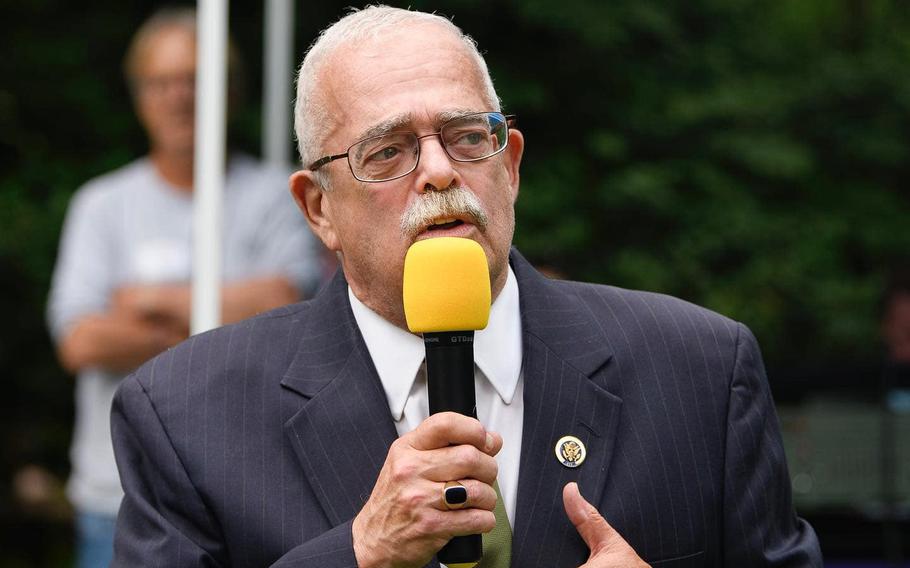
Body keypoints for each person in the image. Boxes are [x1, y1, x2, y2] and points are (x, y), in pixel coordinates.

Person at [111, 6, 822, 567]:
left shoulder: (699, 370)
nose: (439, 171)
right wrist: (358, 554)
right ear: (318, 208)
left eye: (465, 137)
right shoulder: (186, 415)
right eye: (387, 151)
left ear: (508, 165)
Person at [47, 8, 323, 567]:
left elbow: (286, 305)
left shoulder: (275, 195)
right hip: (116, 497)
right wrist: (228, 323)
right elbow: (81, 341)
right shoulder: (102, 206)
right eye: (161, 82)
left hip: (249, 496)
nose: (179, 97)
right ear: (138, 95)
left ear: (230, 90)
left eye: (196, 79)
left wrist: (146, 303)